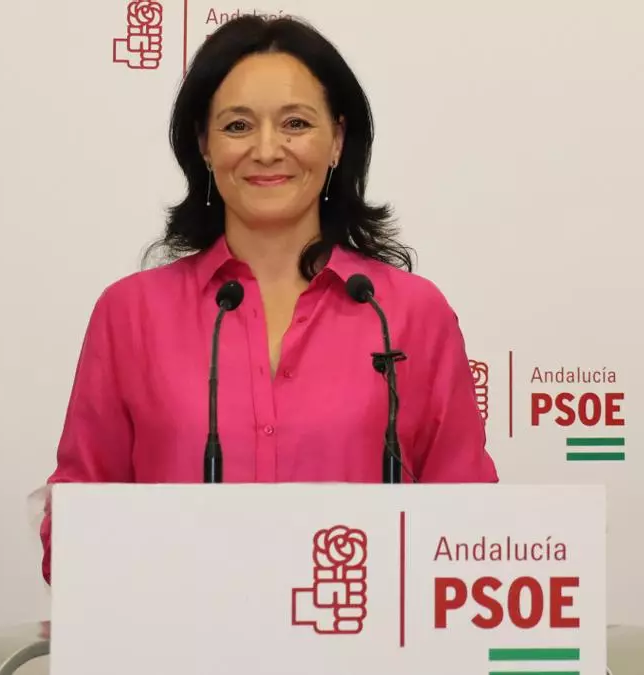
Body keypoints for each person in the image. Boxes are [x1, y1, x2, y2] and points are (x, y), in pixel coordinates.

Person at [37, 14, 497, 585]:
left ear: (338, 140)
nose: (266, 149)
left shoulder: (407, 313)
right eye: (237, 126)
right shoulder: (131, 314)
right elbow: (74, 528)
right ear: (204, 145)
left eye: (296, 123)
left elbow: (471, 527)